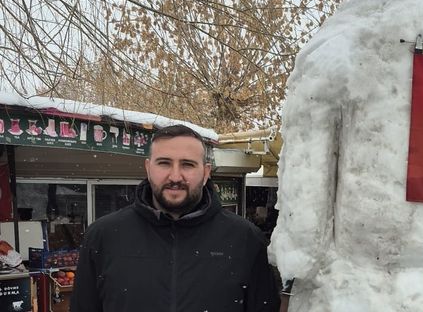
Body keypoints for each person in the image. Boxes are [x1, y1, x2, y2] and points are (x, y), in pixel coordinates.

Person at [71, 124, 280, 312]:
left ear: (206, 172)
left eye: (187, 165)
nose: (175, 177)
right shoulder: (103, 236)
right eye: (164, 163)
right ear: (148, 168)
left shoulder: (245, 239)